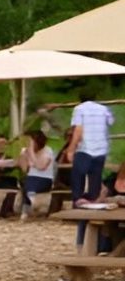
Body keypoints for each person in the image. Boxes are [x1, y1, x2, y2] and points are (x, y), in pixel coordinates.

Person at [64, 93, 115, 245]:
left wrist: (71, 148)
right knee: (95, 177)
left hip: (85, 148)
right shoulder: (103, 108)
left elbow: (78, 130)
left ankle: (78, 200)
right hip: (100, 148)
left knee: (78, 175)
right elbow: (111, 122)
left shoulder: (79, 109)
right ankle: (93, 199)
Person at [17, 130, 57, 219]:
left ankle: (27, 207)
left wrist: (31, 153)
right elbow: (24, 169)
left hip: (45, 179)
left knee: (29, 185)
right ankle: (28, 205)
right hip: (30, 178)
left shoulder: (48, 151)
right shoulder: (25, 150)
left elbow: (41, 166)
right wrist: (24, 155)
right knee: (27, 182)